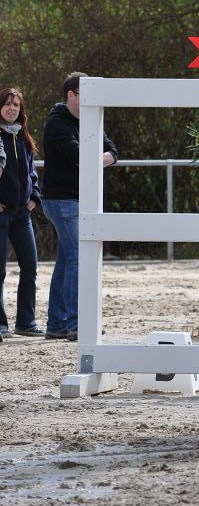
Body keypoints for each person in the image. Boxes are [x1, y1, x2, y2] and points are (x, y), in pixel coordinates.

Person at [42, 72, 118, 341]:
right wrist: (98, 159)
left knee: (66, 261)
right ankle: (76, 322)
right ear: (71, 95)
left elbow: (114, 152)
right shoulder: (57, 123)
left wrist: (96, 159)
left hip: (78, 200)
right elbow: (78, 156)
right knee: (78, 258)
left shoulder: (90, 119)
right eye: (85, 93)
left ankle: (56, 324)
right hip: (61, 200)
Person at [0, 87, 44, 337]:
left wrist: (34, 198)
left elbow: (31, 173)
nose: (12, 108)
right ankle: (0, 324)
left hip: (22, 214)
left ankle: (26, 322)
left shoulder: (24, 138)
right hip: (1, 213)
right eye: (7, 103)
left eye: (16, 105)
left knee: (30, 267)